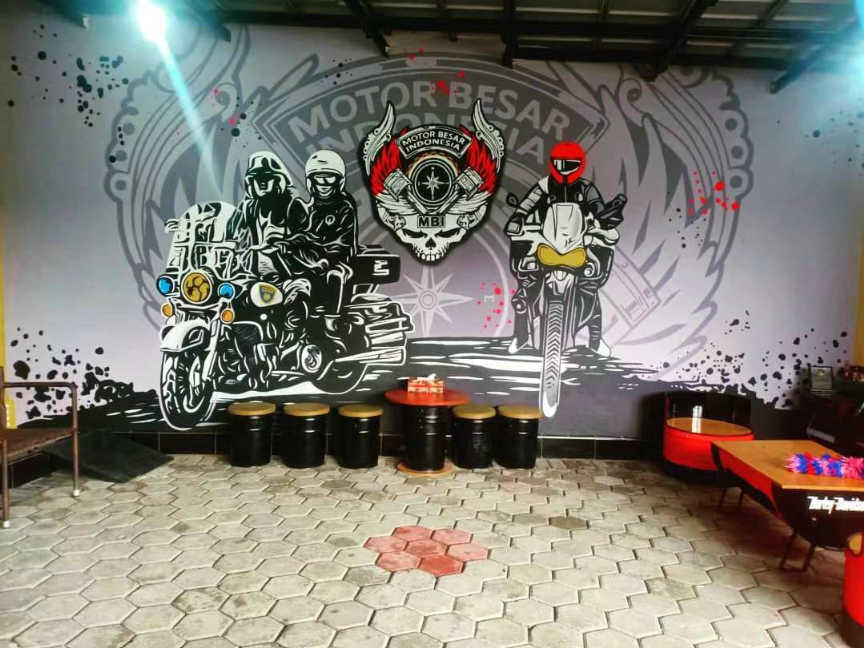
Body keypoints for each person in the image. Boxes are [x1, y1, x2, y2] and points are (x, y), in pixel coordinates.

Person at [506, 141, 620, 356]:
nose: (563, 168)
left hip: (577, 242)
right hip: (547, 241)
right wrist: (519, 216)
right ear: (553, 163)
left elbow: (597, 206)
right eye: (559, 163)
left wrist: (603, 220)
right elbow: (528, 203)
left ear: (579, 164)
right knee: (527, 286)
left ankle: (596, 340)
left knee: (589, 287)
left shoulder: (586, 188)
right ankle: (521, 336)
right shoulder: (544, 185)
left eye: (569, 164)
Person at [293, 150, 359, 339]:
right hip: (310, 261)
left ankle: (331, 321)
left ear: (338, 180)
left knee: (334, 275)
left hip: (337, 261)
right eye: (318, 177)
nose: (323, 183)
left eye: (329, 177)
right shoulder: (307, 208)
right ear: (311, 180)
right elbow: (297, 237)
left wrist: (322, 257)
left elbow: (343, 243)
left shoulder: (344, 207)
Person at [227, 151, 310, 282]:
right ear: (251, 181)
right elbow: (231, 234)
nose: (262, 183)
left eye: (267, 177)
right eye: (257, 178)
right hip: (255, 270)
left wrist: (282, 243)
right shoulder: (249, 207)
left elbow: (306, 239)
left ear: (277, 179)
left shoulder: (293, 204)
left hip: (289, 270)